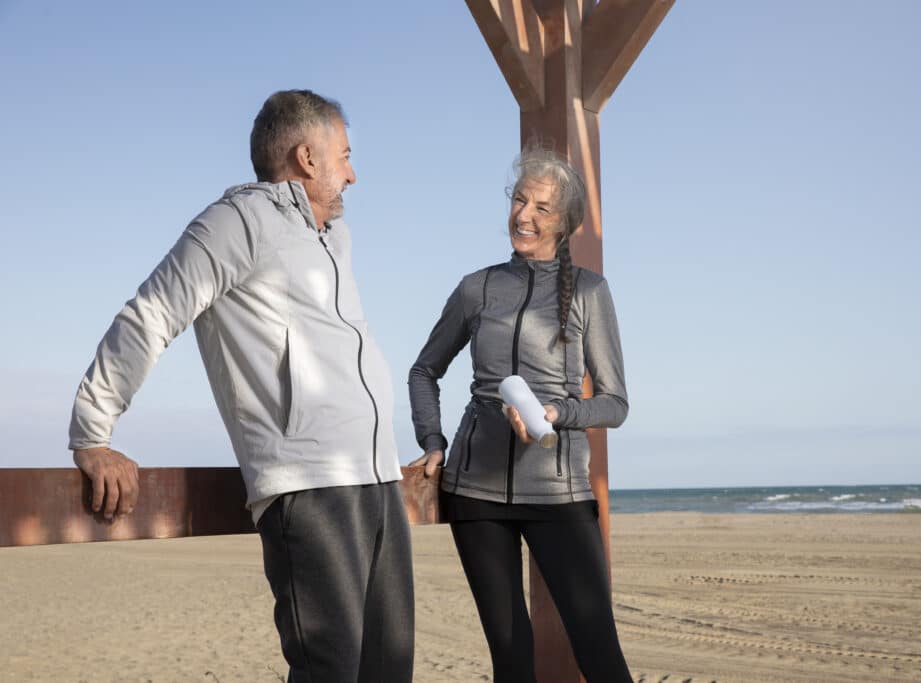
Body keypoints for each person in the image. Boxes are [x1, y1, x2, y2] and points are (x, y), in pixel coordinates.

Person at [68, 90, 414, 682]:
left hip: (377, 478)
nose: (352, 174)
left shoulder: (334, 239)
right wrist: (92, 434)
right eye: (345, 156)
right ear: (307, 157)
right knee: (331, 672)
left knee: (389, 671)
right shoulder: (235, 222)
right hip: (308, 485)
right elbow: (152, 313)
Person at [408, 148, 632, 682]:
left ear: (565, 223)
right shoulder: (477, 287)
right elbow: (423, 371)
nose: (523, 215)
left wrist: (557, 413)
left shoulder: (590, 291)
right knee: (511, 661)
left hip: (559, 495)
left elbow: (615, 404)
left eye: (541, 208)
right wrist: (433, 441)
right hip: (475, 496)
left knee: (600, 654)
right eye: (518, 199)